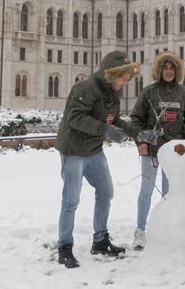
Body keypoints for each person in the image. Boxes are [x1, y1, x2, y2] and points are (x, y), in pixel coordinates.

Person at [55, 50, 140, 269]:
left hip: (94, 151)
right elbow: (75, 118)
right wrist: (105, 129)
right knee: (71, 200)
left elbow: (114, 120)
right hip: (73, 150)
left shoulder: (112, 94)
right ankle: (65, 247)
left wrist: (138, 133)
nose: (125, 83)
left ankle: (100, 240)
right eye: (123, 79)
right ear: (111, 73)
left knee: (106, 192)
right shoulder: (85, 88)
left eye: (127, 79)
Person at [129, 50, 185, 250]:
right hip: (151, 149)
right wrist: (141, 141)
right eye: (165, 68)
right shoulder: (148, 92)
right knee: (146, 190)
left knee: (169, 193)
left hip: (173, 152)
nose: (168, 71)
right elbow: (136, 119)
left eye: (172, 68)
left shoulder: (184, 93)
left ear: (177, 71)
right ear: (158, 70)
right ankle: (140, 230)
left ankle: (165, 230)